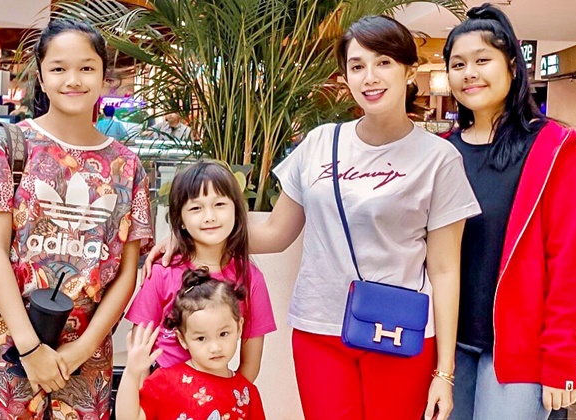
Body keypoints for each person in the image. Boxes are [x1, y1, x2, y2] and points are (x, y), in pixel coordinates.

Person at [146, 15, 481, 420]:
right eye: (357, 66)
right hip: (319, 327)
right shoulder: (321, 142)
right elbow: (275, 233)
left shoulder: (439, 159)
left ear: (409, 69)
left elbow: (445, 270)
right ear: (345, 76)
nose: (370, 77)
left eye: (384, 62)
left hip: (397, 331)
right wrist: (193, 238)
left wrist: (444, 372)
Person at [0, 19, 153, 418]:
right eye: (58, 68)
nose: (73, 80)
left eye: (86, 67)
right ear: (41, 76)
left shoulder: (127, 165)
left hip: (89, 351)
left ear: (104, 76)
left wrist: (81, 350)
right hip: (11, 345)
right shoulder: (6, 145)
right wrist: (30, 348)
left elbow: (127, 272)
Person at [442, 4, 576, 420]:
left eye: (482, 60)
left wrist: (562, 357)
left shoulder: (554, 151)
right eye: (458, 64)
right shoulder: (442, 152)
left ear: (512, 66)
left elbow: (571, 262)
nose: (469, 73)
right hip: (447, 346)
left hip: (519, 352)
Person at [126, 160, 277, 382]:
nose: (209, 217)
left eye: (220, 204)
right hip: (161, 395)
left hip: (218, 398)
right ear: (181, 220)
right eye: (196, 208)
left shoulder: (251, 278)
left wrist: (227, 397)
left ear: (237, 211)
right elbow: (139, 351)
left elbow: (250, 364)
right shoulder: (161, 273)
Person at [117, 269, 267, 420]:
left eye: (223, 334)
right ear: (182, 339)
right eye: (201, 338)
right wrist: (132, 373)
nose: (215, 348)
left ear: (239, 327)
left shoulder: (247, 394)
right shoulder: (165, 381)